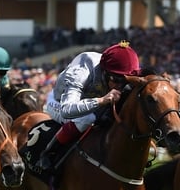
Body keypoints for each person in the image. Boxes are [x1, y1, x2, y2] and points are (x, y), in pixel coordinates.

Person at [38, 40, 141, 171]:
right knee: (87, 118)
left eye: (125, 81)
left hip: (92, 103)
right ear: (105, 71)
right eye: (117, 80)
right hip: (58, 103)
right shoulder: (82, 70)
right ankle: (49, 152)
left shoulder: (119, 72)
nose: (120, 86)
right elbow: (67, 110)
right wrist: (101, 101)